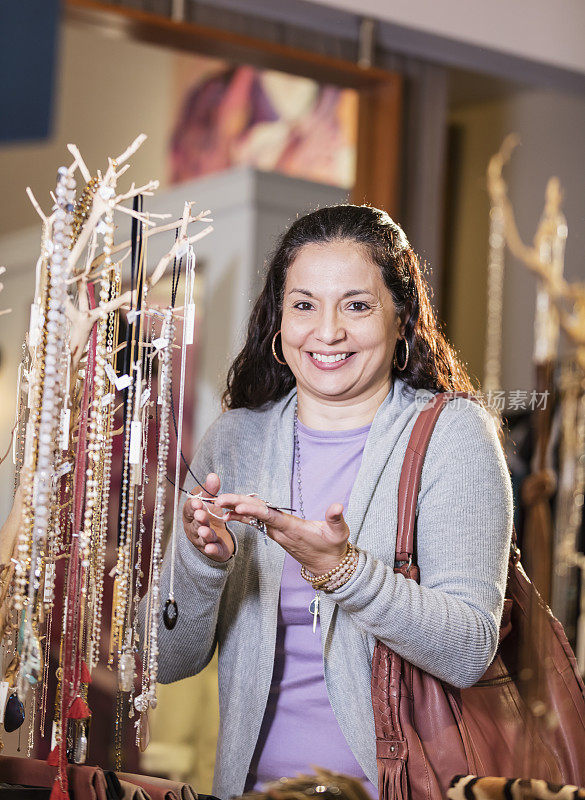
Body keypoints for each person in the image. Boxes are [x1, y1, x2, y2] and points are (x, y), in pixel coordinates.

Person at [143, 205, 513, 800]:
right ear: (278, 321)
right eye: (305, 304)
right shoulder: (235, 441)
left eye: (357, 305)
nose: (329, 331)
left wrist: (343, 572)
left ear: (403, 321)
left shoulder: (454, 435)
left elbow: (469, 649)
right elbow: (163, 661)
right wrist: (201, 564)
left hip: (393, 789)